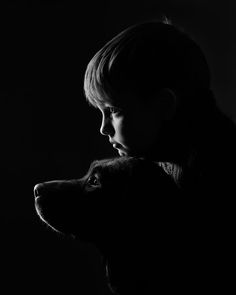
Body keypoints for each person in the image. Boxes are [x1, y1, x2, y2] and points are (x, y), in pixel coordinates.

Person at [83, 18, 236, 292]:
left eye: (113, 111)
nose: (104, 128)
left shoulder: (215, 175)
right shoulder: (174, 158)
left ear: (164, 106)